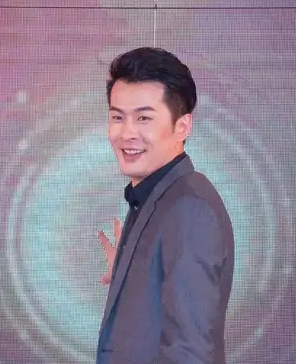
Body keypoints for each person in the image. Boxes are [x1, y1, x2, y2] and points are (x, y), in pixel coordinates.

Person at [96, 47, 235, 363]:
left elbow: (191, 353)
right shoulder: (154, 198)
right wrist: (132, 273)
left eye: (144, 118)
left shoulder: (189, 208)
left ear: (182, 126)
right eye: (118, 117)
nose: (127, 133)